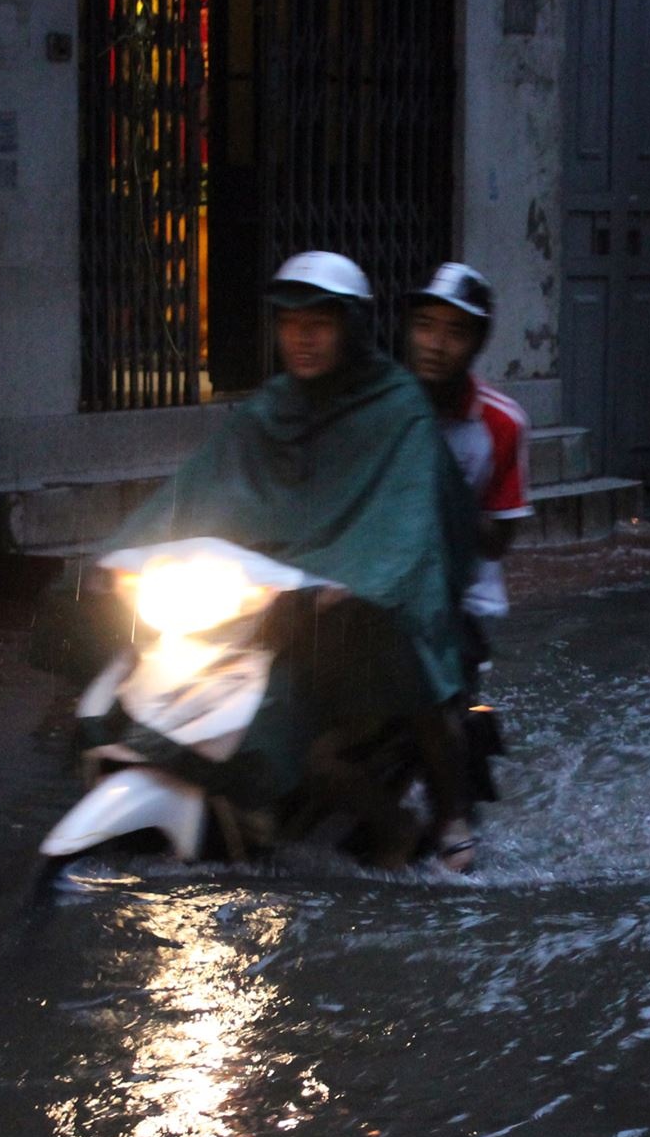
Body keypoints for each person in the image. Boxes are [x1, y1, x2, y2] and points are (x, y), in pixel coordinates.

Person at [101, 250, 480, 870]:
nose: (302, 338)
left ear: (352, 327)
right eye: (290, 322)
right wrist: (125, 551)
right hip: (287, 595)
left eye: (321, 323)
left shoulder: (397, 406)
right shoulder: (268, 408)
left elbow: (408, 517)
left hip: (379, 598)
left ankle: (444, 816)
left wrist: (361, 577)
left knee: (412, 659)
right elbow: (197, 487)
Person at [404, 262, 533, 669]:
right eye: (425, 326)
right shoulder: (379, 410)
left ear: (478, 342)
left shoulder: (501, 422)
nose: (435, 344)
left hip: (458, 601)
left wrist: (442, 490)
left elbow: (498, 540)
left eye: (455, 332)